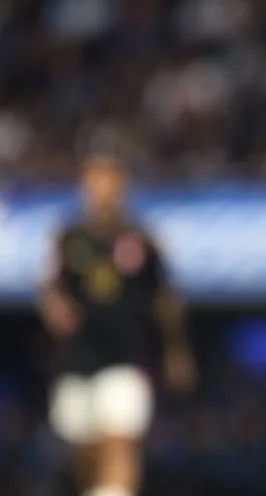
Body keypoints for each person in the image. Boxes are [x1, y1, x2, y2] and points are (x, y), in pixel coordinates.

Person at [39, 155, 196, 496]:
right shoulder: (68, 238)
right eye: (94, 183)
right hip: (77, 359)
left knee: (121, 439)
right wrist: (55, 308)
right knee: (84, 449)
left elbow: (166, 298)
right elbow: (49, 287)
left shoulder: (142, 238)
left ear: (122, 188)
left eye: (109, 183)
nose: (102, 192)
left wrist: (176, 350)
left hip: (128, 356)